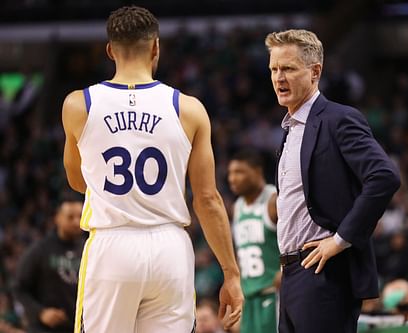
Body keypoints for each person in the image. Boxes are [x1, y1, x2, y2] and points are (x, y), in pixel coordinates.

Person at [61, 6, 243, 332]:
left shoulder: (78, 105)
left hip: (112, 245)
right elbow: (208, 199)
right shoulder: (189, 108)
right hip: (170, 248)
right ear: (156, 47)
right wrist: (230, 272)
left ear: (110, 50)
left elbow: (78, 180)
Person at [265, 29, 401, 333]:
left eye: (287, 68)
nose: (278, 78)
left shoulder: (339, 118)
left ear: (315, 72)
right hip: (291, 276)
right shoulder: (289, 130)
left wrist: (340, 240)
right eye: (273, 69)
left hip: (322, 274)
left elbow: (384, 176)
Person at [228, 150, 281, 333]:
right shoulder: (237, 207)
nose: (232, 179)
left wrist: (283, 270)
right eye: (230, 173)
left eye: (239, 172)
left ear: (257, 172)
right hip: (248, 298)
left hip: (272, 295)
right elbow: (240, 253)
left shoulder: (274, 200)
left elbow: (296, 238)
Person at [14, 198, 85, 333]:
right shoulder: (40, 249)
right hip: (45, 329)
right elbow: (19, 287)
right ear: (57, 218)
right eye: (70, 217)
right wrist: (40, 312)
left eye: (80, 216)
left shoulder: (88, 248)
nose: (77, 222)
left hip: (78, 328)